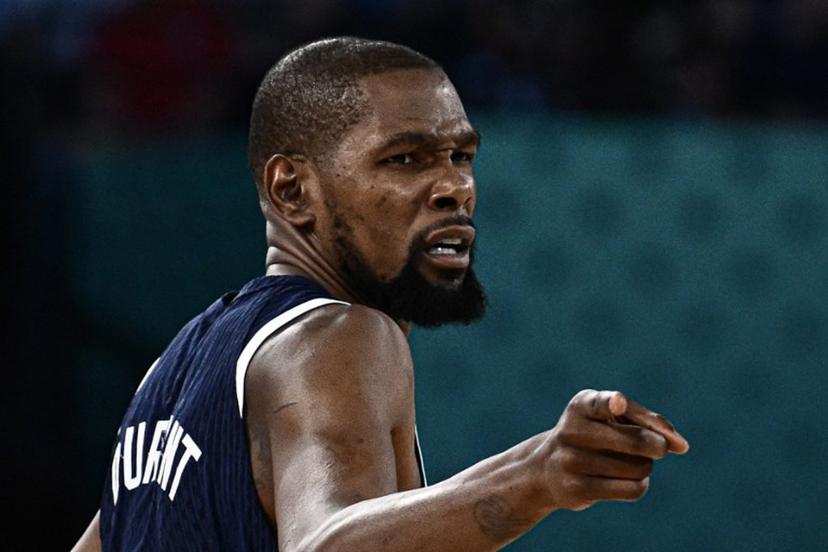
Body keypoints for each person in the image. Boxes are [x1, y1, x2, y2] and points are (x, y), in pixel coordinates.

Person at [73, 36, 689, 551]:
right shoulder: (336, 334)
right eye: (404, 160)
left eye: (460, 155)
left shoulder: (170, 373)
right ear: (291, 191)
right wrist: (538, 474)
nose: (455, 187)